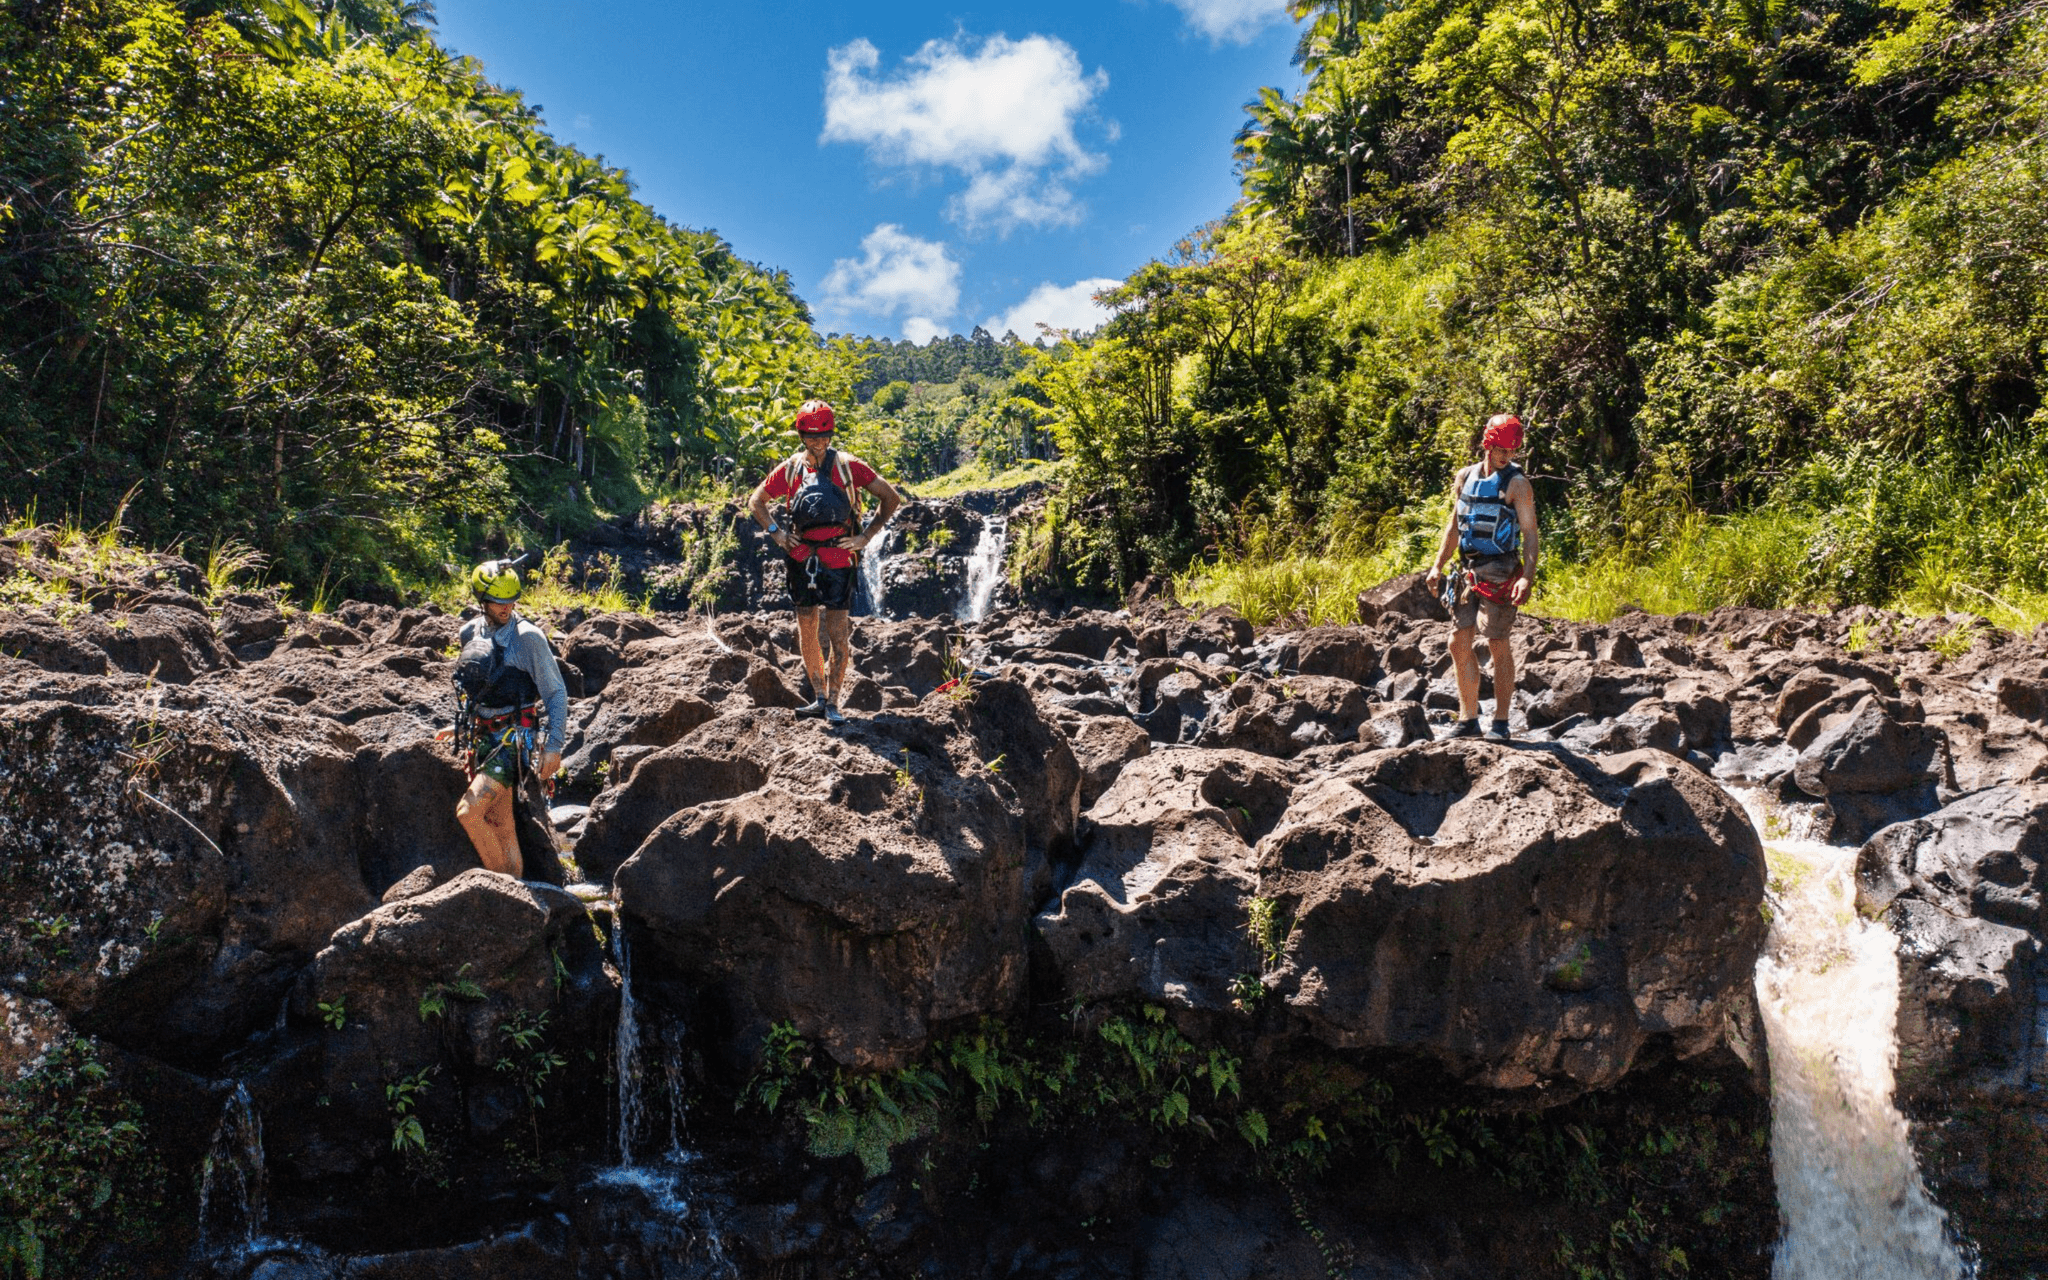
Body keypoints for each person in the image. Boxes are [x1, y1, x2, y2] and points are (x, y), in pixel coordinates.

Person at [747, 399, 902, 724]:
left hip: (839, 558)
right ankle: (818, 697)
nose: (819, 442)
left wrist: (865, 537)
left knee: (837, 632)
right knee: (806, 627)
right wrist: (776, 533)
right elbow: (756, 501)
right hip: (801, 558)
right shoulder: (790, 468)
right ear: (801, 435)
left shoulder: (849, 466)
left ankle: (833, 703)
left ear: (831, 434)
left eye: (824, 436)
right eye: (812, 437)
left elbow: (890, 497)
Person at [435, 558, 569, 879]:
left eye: (511, 600)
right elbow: (477, 686)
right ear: (482, 600)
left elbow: (556, 693)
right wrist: (460, 727)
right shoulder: (469, 632)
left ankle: (498, 891)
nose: (506, 607)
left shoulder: (529, 638)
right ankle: (517, 891)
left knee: (469, 812)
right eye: (498, 601)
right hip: (482, 736)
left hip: (513, 742)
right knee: (500, 824)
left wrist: (554, 745)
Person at [1425, 413, 1540, 741]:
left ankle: (1501, 722)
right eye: (1501, 448)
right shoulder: (1464, 477)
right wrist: (1437, 566)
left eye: (1512, 450)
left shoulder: (1517, 484)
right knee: (1457, 642)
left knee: (1497, 642)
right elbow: (1454, 526)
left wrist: (1526, 577)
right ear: (1487, 443)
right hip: (1466, 570)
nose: (1506, 455)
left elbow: (1530, 534)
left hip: (1501, 569)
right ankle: (1468, 719)